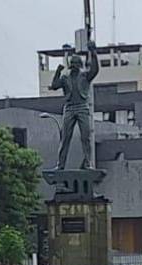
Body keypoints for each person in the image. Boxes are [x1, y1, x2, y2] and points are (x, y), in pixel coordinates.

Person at [48, 42, 100, 170]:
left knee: (86, 137)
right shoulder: (65, 78)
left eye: (77, 66)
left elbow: (95, 70)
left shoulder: (85, 76)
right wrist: (58, 72)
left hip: (82, 108)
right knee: (65, 138)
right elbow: (54, 85)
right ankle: (60, 165)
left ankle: (88, 163)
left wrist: (93, 53)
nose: (75, 68)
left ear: (79, 66)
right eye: (73, 66)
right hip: (69, 108)